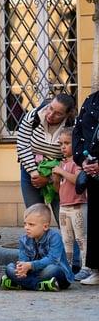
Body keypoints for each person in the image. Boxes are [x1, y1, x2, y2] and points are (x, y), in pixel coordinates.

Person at [16, 94, 76, 223]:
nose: (51, 115)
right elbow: (22, 145)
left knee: (64, 218)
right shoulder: (34, 116)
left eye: (58, 113)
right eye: (50, 108)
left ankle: (67, 243)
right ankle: (38, 243)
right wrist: (35, 174)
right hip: (31, 171)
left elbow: (72, 155)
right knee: (35, 217)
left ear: (67, 115)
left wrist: (49, 178)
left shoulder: (72, 126)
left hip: (59, 175)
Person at [1, 204, 74, 291]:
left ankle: (22, 284)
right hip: (33, 272)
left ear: (45, 227)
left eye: (31, 225)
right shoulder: (24, 240)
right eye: (25, 224)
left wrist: (30, 265)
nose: (26, 227)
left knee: (52, 269)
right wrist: (22, 268)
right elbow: (23, 259)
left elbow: (53, 260)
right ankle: (40, 285)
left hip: (55, 273)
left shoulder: (54, 237)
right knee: (10, 268)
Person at [52, 127, 91, 281]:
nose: (63, 147)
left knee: (81, 238)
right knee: (66, 239)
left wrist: (61, 172)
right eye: (61, 143)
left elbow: (77, 181)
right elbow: (57, 189)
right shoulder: (61, 163)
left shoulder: (77, 162)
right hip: (64, 207)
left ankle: (86, 267)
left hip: (77, 205)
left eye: (67, 143)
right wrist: (55, 178)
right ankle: (66, 267)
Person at [72, 90, 99, 285]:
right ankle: (97, 269)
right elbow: (78, 132)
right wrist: (83, 159)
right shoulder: (91, 100)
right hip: (92, 172)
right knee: (96, 221)